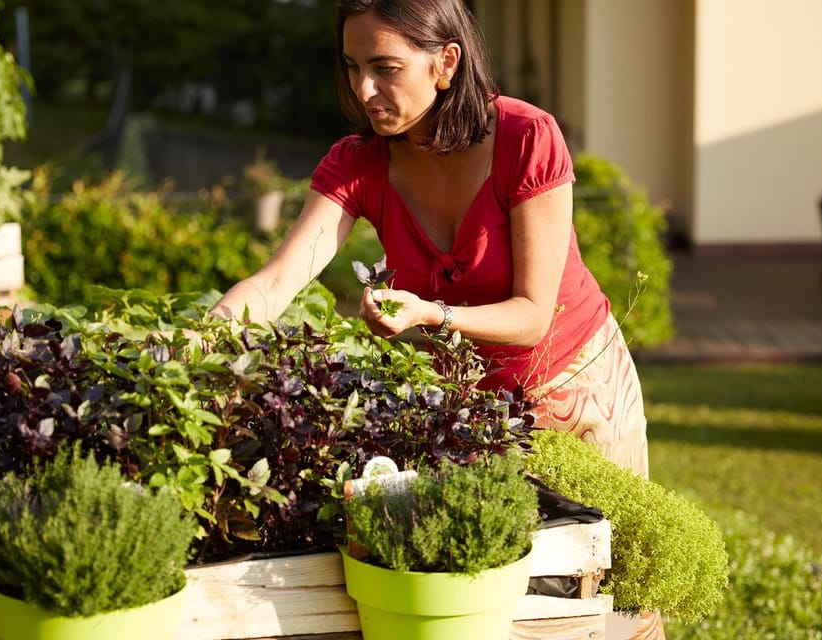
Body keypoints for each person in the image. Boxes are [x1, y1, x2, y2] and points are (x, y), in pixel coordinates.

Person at [212, 0, 649, 495]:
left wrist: (429, 314)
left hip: (580, 393)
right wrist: (206, 334)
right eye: (353, 66)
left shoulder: (526, 137)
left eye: (385, 68)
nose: (363, 90)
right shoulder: (357, 165)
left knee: (593, 562)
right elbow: (275, 283)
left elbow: (532, 318)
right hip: (470, 415)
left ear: (446, 63)